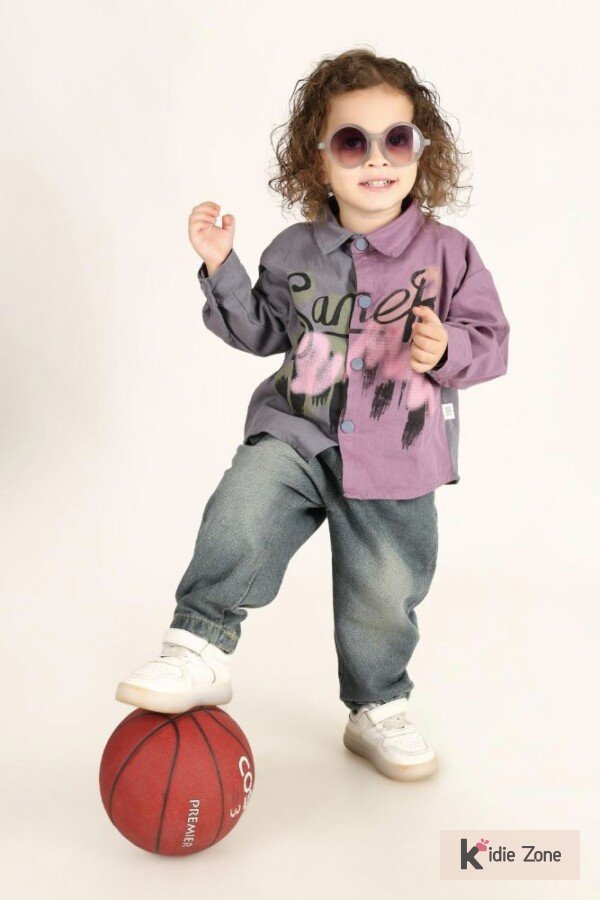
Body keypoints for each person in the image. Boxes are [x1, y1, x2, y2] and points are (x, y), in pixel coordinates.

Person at [115, 48, 510, 782]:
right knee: (239, 511)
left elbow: (492, 342)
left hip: (396, 457)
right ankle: (197, 645)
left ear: (422, 151)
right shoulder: (294, 249)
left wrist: (450, 346)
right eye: (352, 142)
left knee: (383, 593)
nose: (377, 159)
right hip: (296, 433)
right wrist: (221, 266)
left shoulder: (449, 254)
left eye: (397, 140)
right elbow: (262, 330)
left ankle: (377, 705)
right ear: (318, 158)